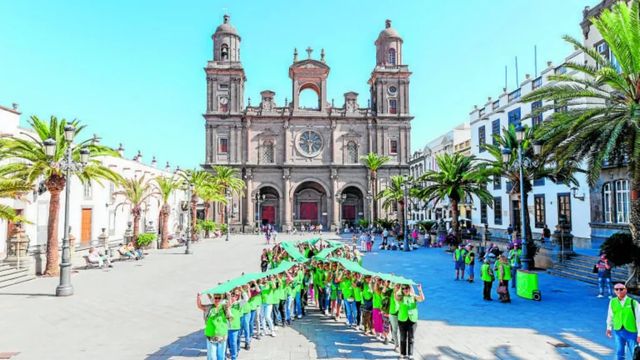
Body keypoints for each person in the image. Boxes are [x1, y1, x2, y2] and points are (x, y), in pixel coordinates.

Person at [606, 282, 640, 360]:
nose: (619, 291)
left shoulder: (633, 303)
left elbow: (639, 319)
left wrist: (639, 334)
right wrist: (609, 328)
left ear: (626, 290)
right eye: (616, 289)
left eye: (621, 289)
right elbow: (610, 315)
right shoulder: (612, 302)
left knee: (635, 353)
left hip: (632, 332)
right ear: (614, 291)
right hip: (618, 331)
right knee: (619, 353)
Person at [197, 292, 231, 360]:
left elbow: (229, 304)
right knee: (212, 356)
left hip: (222, 335)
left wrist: (229, 296)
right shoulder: (209, 307)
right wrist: (198, 298)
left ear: (221, 299)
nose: (217, 299)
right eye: (216, 298)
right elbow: (200, 306)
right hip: (211, 335)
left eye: (219, 298)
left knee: (221, 356)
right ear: (213, 298)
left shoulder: (224, 307)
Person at [396, 283, 425, 359]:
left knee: (411, 338)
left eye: (407, 288)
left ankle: (410, 354)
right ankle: (402, 354)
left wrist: (419, 290)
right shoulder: (400, 297)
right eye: (404, 289)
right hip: (402, 320)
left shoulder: (413, 296)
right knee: (403, 337)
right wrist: (399, 288)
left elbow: (422, 299)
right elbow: (396, 297)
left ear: (410, 289)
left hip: (412, 320)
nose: (405, 290)